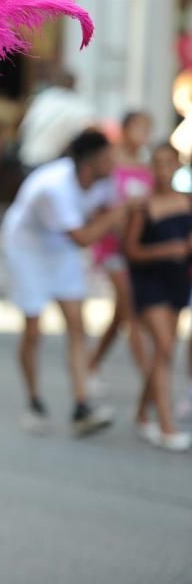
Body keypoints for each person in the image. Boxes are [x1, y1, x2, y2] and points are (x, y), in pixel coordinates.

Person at [0, 130, 125, 437]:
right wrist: (117, 216)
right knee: (33, 329)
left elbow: (101, 216)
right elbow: (83, 237)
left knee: (76, 325)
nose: (114, 163)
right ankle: (34, 401)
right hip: (27, 248)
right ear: (89, 162)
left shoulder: (105, 181)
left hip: (61, 250)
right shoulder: (54, 188)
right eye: (108, 158)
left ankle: (81, 405)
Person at [122, 143, 192, 451]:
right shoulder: (143, 207)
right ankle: (166, 426)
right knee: (163, 346)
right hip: (150, 281)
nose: (163, 170)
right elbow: (131, 251)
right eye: (157, 164)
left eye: (168, 164)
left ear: (177, 166)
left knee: (165, 350)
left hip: (177, 281)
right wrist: (166, 250)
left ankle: (141, 412)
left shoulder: (186, 203)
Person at [86, 111, 154, 393]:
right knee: (132, 310)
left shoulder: (148, 165)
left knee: (121, 315)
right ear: (125, 130)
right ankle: (151, 385)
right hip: (111, 244)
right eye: (139, 128)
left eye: (147, 129)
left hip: (134, 245)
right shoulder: (110, 163)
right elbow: (96, 202)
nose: (143, 135)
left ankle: (90, 365)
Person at [17, 68, 97, 171]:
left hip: (26, 159)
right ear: (74, 83)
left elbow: (24, 127)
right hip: (48, 162)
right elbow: (91, 129)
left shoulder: (43, 98)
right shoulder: (75, 104)